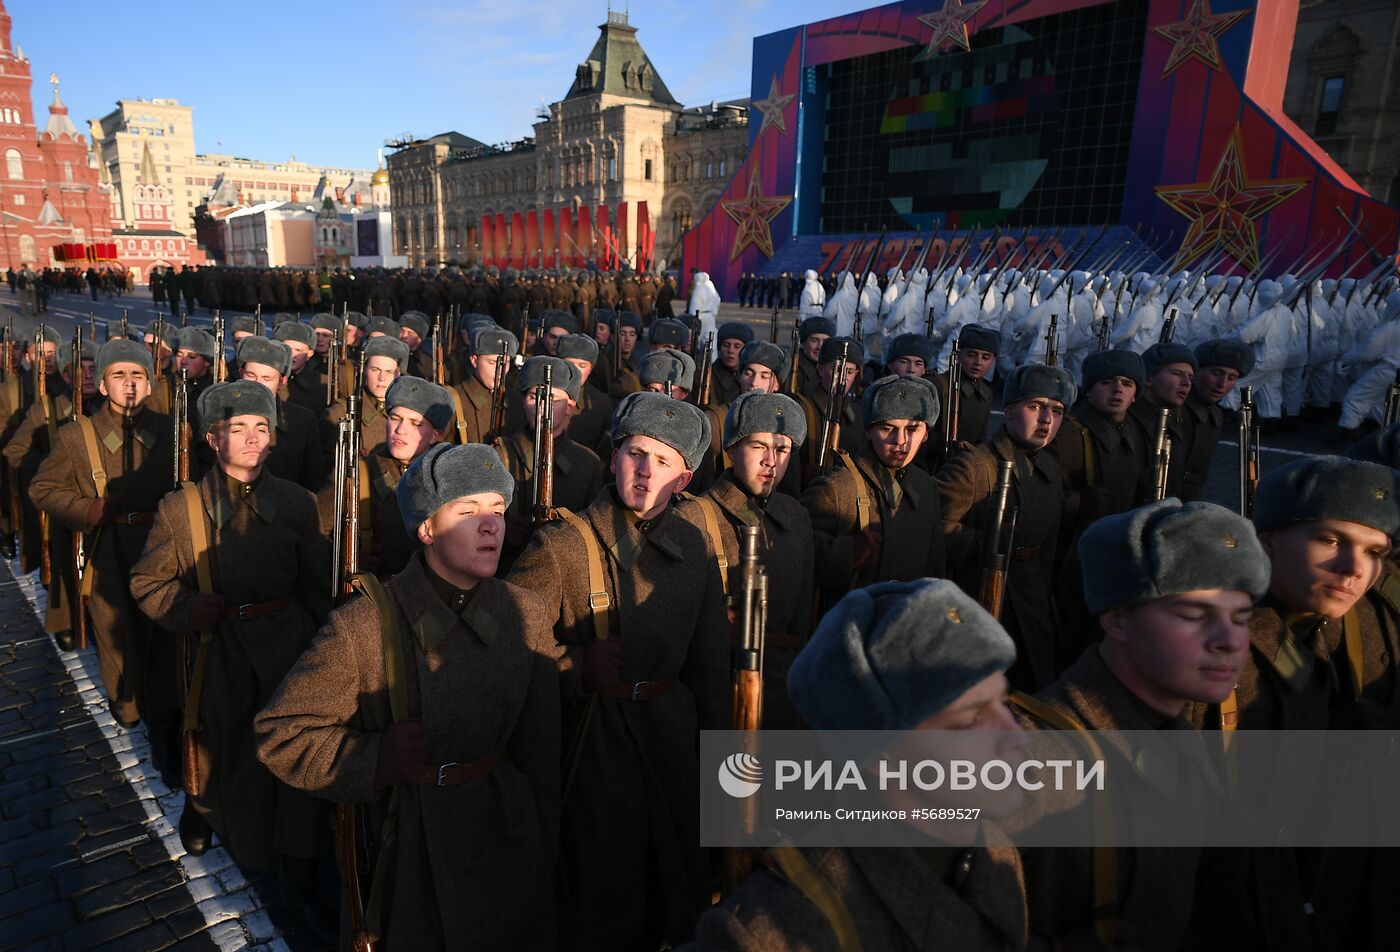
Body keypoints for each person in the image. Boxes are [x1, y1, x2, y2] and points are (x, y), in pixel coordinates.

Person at [255, 442, 560, 949]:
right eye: (468, 511)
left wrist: (544, 842)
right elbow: (281, 735)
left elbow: (541, 745)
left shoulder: (525, 612)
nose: (491, 525)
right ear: (425, 528)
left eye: (498, 510)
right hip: (411, 852)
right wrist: (374, 759)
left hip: (508, 836)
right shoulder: (366, 626)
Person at [690, 577, 1028, 951]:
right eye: (969, 721)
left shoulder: (993, 850)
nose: (1017, 735)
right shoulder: (774, 931)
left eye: (1004, 703)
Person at [508, 391, 727, 950]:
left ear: (685, 479)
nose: (645, 470)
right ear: (613, 457)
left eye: (664, 460)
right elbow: (511, 643)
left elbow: (709, 666)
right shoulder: (560, 545)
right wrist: (576, 666)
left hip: (672, 742)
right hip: (594, 749)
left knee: (672, 893)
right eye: (636, 452)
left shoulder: (695, 547)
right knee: (602, 901)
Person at [1008, 498, 1267, 951]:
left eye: (1241, 618)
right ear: (1117, 619)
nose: (1229, 641)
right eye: (1193, 615)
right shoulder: (1026, 755)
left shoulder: (1183, 735)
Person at [129, 379, 329, 928]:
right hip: (219, 652)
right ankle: (234, 833)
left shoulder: (294, 502)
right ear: (213, 440)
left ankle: (298, 870)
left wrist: (324, 644)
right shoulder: (181, 508)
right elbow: (148, 582)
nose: (250, 440)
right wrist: (185, 607)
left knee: (295, 763)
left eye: (261, 429)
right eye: (237, 430)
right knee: (232, 756)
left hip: (288, 646)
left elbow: (316, 584)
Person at [30, 340, 176, 741]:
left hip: (162, 543)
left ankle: (163, 701)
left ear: (149, 385)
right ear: (103, 383)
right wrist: (85, 509)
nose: (129, 384)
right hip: (108, 546)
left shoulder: (172, 430)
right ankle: (125, 700)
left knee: (163, 628)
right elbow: (42, 488)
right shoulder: (79, 436)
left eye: (137, 375)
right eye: (119, 375)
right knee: (115, 626)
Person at [677, 390, 813, 728]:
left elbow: (803, 618)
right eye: (758, 446)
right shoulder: (694, 516)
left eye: (781, 449)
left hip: (783, 696)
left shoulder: (795, 517)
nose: (771, 460)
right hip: (714, 694)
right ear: (732, 449)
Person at [936, 363, 1073, 691]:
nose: (1046, 420)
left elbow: (1050, 543)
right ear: (1009, 410)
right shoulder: (974, 467)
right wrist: (980, 544)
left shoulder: (1051, 470)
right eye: (1035, 406)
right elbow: (934, 528)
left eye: (1056, 410)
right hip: (980, 596)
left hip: (1032, 597)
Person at [803, 374, 946, 610]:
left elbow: (935, 567)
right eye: (888, 428)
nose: (901, 441)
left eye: (912, 429)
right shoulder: (837, 487)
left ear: (926, 433)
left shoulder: (926, 486)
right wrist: (847, 553)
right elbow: (796, 549)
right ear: (869, 431)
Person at [5, 338, 99, 649]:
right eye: (79, 369)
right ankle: (67, 621)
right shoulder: (47, 408)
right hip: (65, 507)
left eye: (92, 369)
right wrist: (53, 469)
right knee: (65, 565)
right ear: (67, 374)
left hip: (102, 507)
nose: (87, 375)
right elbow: (16, 450)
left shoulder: (109, 410)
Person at [499, 356, 605, 568]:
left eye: (553, 399)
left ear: (570, 406)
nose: (542, 406)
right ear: (523, 401)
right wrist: (501, 529)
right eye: (533, 396)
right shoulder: (500, 454)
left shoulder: (587, 463)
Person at [237, 337, 325, 491]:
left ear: (282, 381)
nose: (257, 385)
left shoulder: (302, 421)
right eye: (251, 376)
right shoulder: (222, 416)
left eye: (266, 378)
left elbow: (312, 482)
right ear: (241, 373)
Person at [1179, 338, 1253, 501]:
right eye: (1216, 373)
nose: (1222, 384)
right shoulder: (1174, 409)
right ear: (1197, 371)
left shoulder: (1215, 415)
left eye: (1232, 378)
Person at [1127, 342, 1195, 502]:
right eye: (1177, 374)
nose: (1186, 382)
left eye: (1190, 377)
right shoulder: (1127, 422)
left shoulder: (1175, 421)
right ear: (1149, 378)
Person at [322, 336, 408, 459]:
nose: (381, 378)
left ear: (398, 375)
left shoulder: (409, 415)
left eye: (389, 372)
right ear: (364, 370)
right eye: (375, 369)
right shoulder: (339, 413)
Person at [795, 337, 865, 484]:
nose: (843, 378)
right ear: (820, 370)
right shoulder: (802, 410)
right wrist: (802, 472)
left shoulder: (858, 414)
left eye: (850, 371)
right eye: (837, 369)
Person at [450, 325, 519, 445]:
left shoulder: (516, 401)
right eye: (492, 363)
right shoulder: (455, 399)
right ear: (474, 360)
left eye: (505, 363)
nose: (500, 371)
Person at [557, 333, 615, 456]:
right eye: (569, 364)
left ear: (591, 368)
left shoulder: (601, 404)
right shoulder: (542, 398)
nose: (575, 371)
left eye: (582, 366)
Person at [274, 321, 327, 418]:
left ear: (310, 354)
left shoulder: (322, 383)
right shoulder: (269, 378)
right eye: (287, 349)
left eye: (298, 350)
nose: (292, 355)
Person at [709, 323, 753, 407]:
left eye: (737, 346)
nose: (730, 351)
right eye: (726, 345)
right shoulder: (708, 376)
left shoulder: (752, 378)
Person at [398, 311, 434, 380]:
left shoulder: (426, 361)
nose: (404, 336)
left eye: (410, 333)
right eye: (402, 331)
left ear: (419, 338)